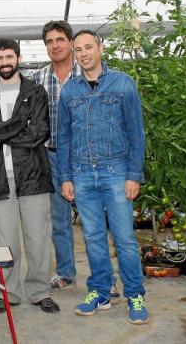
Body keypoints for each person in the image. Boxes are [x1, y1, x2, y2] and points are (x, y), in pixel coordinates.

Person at [57, 30, 149, 325]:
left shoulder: (123, 84)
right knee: (93, 237)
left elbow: (136, 133)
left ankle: (135, 294)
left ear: (101, 48)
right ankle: (100, 291)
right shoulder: (69, 91)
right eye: (78, 49)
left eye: (88, 47)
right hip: (82, 173)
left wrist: (133, 174)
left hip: (116, 172)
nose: (84, 53)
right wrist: (65, 177)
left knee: (125, 239)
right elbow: (64, 137)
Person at [0, 39, 60, 315]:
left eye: (9, 57)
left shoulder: (35, 92)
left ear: (18, 58)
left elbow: (38, 133)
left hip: (33, 176)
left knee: (38, 239)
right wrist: (20, 123)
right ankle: (8, 293)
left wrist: (0, 129)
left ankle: (39, 291)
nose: (5, 63)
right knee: (5, 241)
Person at [30, 21, 80, 292]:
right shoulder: (37, 79)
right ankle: (66, 273)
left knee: (94, 219)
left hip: (85, 158)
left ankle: (104, 279)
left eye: (60, 39)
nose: (55, 45)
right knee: (59, 220)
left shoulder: (87, 73)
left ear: (70, 42)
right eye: (49, 41)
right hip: (51, 156)